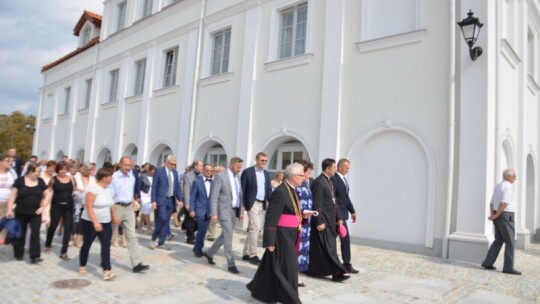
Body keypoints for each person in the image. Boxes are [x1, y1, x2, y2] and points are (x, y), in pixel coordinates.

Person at [247, 163, 310, 304]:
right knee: (289, 266)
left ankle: (258, 288)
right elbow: (271, 217)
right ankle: (291, 297)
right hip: (282, 234)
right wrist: (269, 241)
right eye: (301, 175)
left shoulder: (292, 189)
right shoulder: (281, 191)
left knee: (271, 263)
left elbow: (291, 210)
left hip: (292, 232)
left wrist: (303, 215)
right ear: (293, 176)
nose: (304, 178)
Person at [306, 158, 350, 282]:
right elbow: (317, 204)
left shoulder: (330, 181)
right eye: (334, 167)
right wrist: (319, 221)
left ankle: (315, 270)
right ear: (327, 169)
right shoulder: (319, 182)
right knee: (329, 248)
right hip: (323, 220)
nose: (336, 170)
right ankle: (338, 272)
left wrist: (339, 218)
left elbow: (334, 201)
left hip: (331, 220)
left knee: (326, 248)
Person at [203, 157, 244, 274]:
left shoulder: (238, 178)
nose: (239, 170)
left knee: (225, 234)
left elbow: (239, 195)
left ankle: (209, 253)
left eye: (241, 167)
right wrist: (214, 213)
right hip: (224, 210)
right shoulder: (221, 176)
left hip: (234, 211)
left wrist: (241, 211)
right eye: (238, 167)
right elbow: (214, 196)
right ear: (231, 165)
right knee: (228, 236)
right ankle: (231, 263)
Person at [110, 156, 149, 273]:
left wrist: (133, 202)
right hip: (116, 207)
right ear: (120, 164)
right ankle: (104, 261)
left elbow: (131, 192)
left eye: (130, 165)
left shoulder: (132, 176)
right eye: (126, 165)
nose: (128, 168)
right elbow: (111, 197)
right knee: (108, 235)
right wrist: (113, 214)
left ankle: (137, 263)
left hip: (128, 208)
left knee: (131, 236)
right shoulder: (114, 178)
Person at [79, 167, 119, 280]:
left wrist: (114, 216)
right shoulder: (92, 188)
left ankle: (106, 270)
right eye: (111, 176)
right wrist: (95, 222)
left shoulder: (108, 189)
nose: (112, 179)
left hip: (106, 221)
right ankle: (82, 265)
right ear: (105, 177)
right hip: (90, 222)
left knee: (106, 245)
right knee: (87, 243)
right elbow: (88, 206)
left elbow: (111, 204)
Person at [6, 162, 51, 263]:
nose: (39, 173)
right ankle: (19, 253)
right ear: (30, 171)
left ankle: (34, 256)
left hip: (35, 213)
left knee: (35, 233)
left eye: (39, 171)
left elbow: (47, 194)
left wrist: (43, 207)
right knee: (21, 233)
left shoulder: (40, 181)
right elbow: (12, 196)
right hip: (21, 212)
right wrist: (9, 210)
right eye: (37, 172)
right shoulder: (20, 181)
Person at [481, 169, 521, 275]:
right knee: (510, 241)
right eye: (514, 176)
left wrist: (493, 215)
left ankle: (488, 263)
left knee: (498, 240)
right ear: (508, 177)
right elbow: (503, 203)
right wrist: (496, 215)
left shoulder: (498, 186)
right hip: (506, 215)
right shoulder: (508, 186)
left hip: (497, 213)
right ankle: (508, 267)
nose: (515, 178)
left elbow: (492, 202)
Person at [241, 152, 272, 265]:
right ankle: (253, 255)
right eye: (262, 160)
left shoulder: (267, 174)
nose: (263, 162)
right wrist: (243, 205)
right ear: (256, 160)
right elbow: (243, 190)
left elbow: (268, 190)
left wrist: (272, 202)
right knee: (256, 227)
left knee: (253, 228)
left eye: (265, 161)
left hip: (261, 203)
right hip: (252, 203)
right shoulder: (248, 172)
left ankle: (246, 252)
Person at [331, 159, 358, 274]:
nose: (348, 170)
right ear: (340, 167)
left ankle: (346, 264)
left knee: (345, 240)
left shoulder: (344, 180)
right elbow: (334, 199)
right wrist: (339, 217)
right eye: (347, 167)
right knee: (332, 241)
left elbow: (346, 197)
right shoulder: (334, 179)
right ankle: (333, 263)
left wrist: (352, 211)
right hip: (336, 217)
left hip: (343, 215)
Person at [45, 161, 75, 260]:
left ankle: (64, 252)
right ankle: (48, 244)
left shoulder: (71, 178)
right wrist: (43, 203)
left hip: (68, 207)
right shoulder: (53, 180)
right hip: (56, 207)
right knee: (53, 227)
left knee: (68, 228)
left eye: (65, 169)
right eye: (61, 169)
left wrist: (76, 195)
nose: (63, 171)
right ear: (58, 169)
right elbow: (48, 191)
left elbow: (75, 189)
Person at [150, 156, 182, 250]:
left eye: (175, 164)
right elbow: (154, 187)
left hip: (171, 200)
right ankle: (154, 238)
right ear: (167, 162)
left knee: (166, 221)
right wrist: (153, 200)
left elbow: (177, 188)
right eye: (172, 164)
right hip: (161, 199)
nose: (173, 166)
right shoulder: (159, 171)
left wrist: (179, 200)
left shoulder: (175, 173)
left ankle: (161, 242)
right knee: (162, 218)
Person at [296, 159, 314, 287]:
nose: (309, 176)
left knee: (304, 249)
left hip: (307, 221)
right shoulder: (296, 186)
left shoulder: (307, 185)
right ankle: (294, 275)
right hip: (298, 221)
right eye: (308, 173)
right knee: (296, 248)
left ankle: (297, 273)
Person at [190, 164, 214, 257]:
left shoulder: (213, 183)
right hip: (199, 210)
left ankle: (197, 247)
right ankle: (198, 249)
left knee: (204, 231)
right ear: (203, 170)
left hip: (208, 211)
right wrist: (192, 209)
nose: (209, 172)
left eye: (210, 171)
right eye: (207, 170)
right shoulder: (197, 182)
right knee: (201, 229)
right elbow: (192, 197)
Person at [73, 162, 96, 247]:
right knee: (74, 221)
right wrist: (76, 191)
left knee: (82, 222)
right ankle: (69, 236)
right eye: (87, 169)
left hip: (87, 203)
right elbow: (73, 187)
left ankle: (78, 239)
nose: (88, 171)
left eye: (90, 170)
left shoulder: (93, 179)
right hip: (76, 202)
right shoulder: (77, 176)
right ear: (82, 169)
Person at [182, 160, 203, 244]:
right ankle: (190, 238)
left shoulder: (202, 176)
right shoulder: (188, 176)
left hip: (200, 202)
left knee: (199, 221)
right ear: (195, 166)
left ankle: (186, 227)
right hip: (191, 201)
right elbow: (186, 190)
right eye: (200, 165)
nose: (202, 167)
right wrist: (187, 203)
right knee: (190, 220)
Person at [206, 165, 225, 241]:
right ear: (215, 172)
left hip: (220, 203)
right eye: (222, 172)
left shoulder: (224, 180)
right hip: (210, 202)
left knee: (214, 219)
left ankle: (211, 234)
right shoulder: (210, 180)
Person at [40, 160, 57, 226]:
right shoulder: (41, 175)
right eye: (51, 167)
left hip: (50, 199)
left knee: (48, 219)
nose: (52, 170)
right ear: (47, 167)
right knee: (41, 217)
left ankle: (46, 234)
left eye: (54, 168)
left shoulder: (54, 176)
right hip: (42, 198)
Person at [139, 164, 155, 232]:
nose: (154, 172)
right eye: (153, 171)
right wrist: (138, 196)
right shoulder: (143, 176)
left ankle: (140, 226)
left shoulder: (154, 177)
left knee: (145, 211)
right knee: (147, 211)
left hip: (150, 196)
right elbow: (138, 186)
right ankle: (149, 227)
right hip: (143, 195)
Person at [0, 153, 17, 220]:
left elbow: (15, 189)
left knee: (8, 227)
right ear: (0, 162)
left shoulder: (12, 172)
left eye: (11, 161)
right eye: (7, 161)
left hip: (8, 204)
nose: (10, 163)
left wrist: (12, 203)